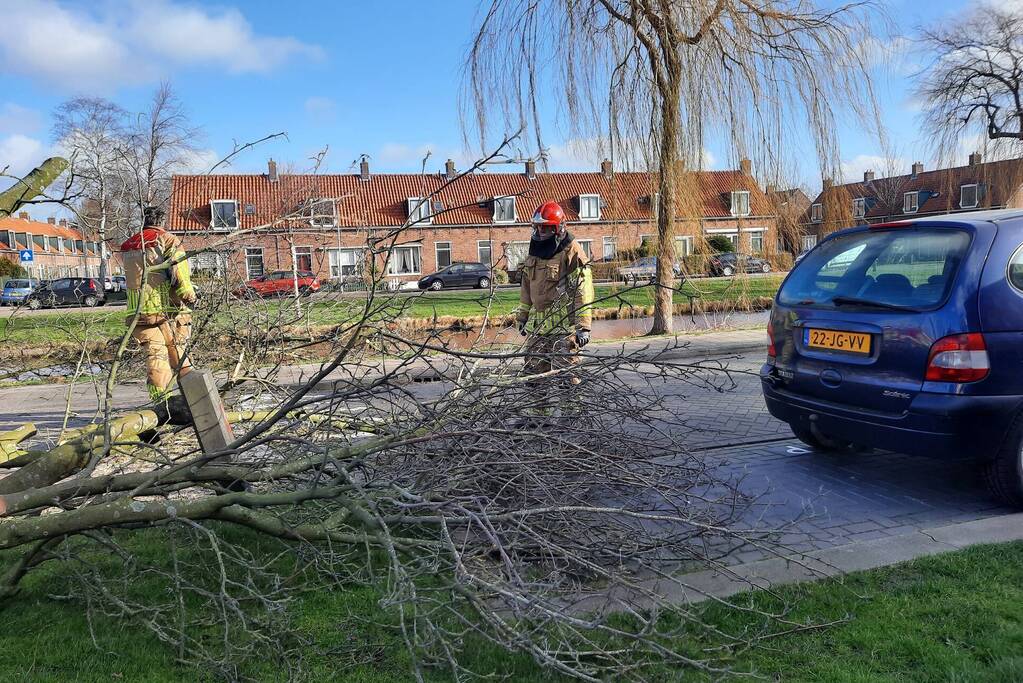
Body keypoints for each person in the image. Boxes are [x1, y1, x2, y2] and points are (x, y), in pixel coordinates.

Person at [120, 206, 197, 402]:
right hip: (168, 310)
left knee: (155, 359)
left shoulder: (129, 244)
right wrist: (188, 295)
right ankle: (197, 400)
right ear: (163, 222)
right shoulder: (168, 240)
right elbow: (180, 271)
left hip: (139, 312)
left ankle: (161, 403)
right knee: (180, 357)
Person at [514, 201, 594, 379]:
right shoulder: (534, 250)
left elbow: (583, 290)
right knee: (534, 380)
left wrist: (583, 326)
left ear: (556, 229)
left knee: (567, 381)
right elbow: (526, 286)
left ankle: (572, 408)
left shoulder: (571, 250)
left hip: (564, 329)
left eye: (544, 228)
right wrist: (522, 317)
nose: (539, 233)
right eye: (537, 228)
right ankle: (538, 408)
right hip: (538, 328)